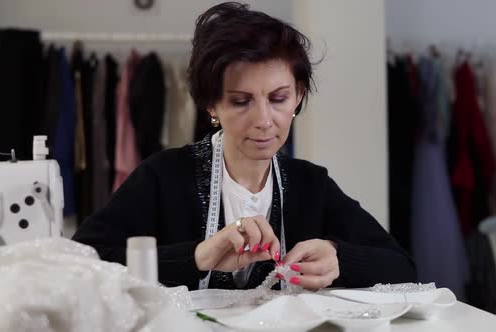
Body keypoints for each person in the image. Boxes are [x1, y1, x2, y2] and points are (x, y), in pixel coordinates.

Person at [73, 2, 416, 291]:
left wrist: (339, 258)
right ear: (211, 105)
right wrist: (197, 257)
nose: (264, 120)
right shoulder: (163, 176)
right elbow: (77, 263)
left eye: (279, 98)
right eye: (241, 102)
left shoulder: (311, 185)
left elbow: (402, 268)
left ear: (298, 96)